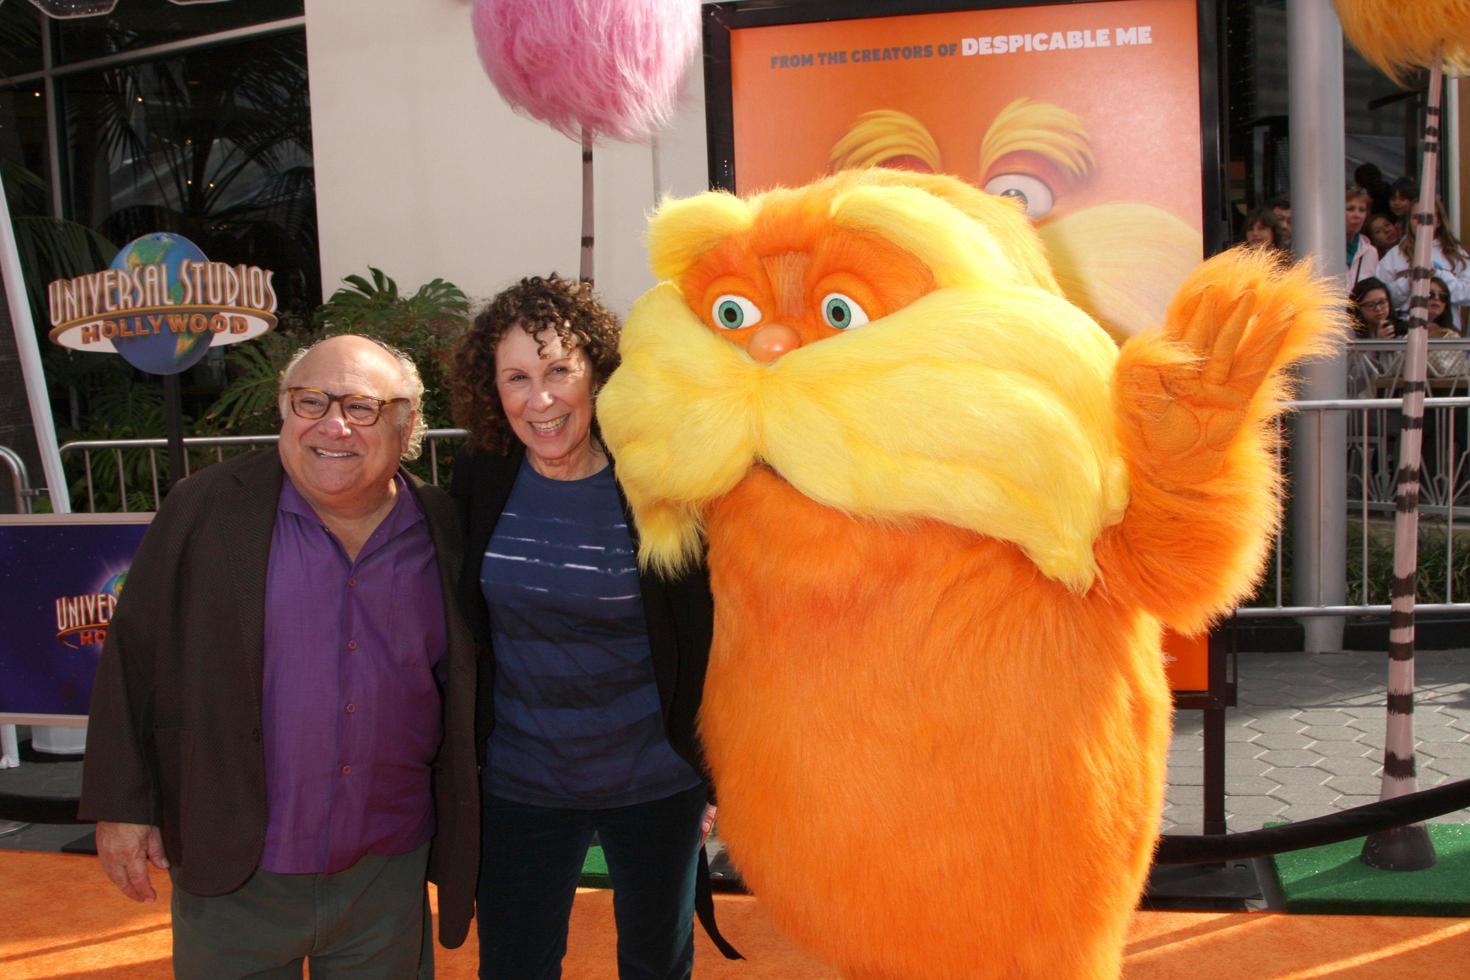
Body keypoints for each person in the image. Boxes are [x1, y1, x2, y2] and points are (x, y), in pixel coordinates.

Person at [78, 335, 479, 979]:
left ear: (407, 428)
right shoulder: (205, 508)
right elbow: (134, 658)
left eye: (362, 407)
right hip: (234, 869)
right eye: (310, 401)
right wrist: (124, 805)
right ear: (285, 414)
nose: (333, 424)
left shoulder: (446, 527)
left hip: (388, 875)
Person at [448, 274, 718, 979]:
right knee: (513, 968)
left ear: (597, 374)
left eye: (559, 370)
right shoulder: (481, 475)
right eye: (516, 377)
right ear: (493, 388)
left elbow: (706, 631)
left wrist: (712, 772)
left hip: (654, 780)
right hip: (521, 781)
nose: (540, 399)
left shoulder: (655, 479)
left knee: (657, 967)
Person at [1376, 198, 1470, 332]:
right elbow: (1380, 298)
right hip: (1405, 333)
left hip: (1446, 334)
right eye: (1416, 217)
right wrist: (1407, 283)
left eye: (1428, 217)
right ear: (1410, 221)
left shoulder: (1455, 253)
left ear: (1438, 222)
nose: (1422, 222)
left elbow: (1467, 295)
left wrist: (1438, 276)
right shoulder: (1395, 254)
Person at [1345, 185, 1379, 290]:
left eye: (1362, 210)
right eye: (1350, 209)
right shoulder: (1320, 246)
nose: (1357, 215)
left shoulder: (1371, 252)